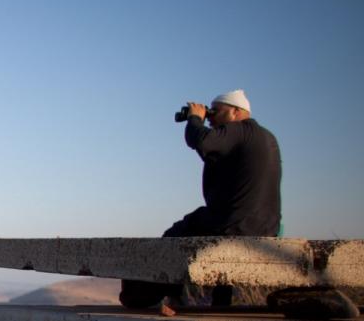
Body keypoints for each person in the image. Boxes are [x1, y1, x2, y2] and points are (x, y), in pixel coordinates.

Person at [120, 89, 282, 308]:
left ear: (235, 112)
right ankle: (219, 305)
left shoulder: (239, 130)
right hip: (265, 227)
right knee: (202, 228)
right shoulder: (265, 137)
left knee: (173, 239)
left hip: (232, 224)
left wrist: (196, 118)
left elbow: (203, 141)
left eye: (216, 112)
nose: (212, 118)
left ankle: (141, 298)